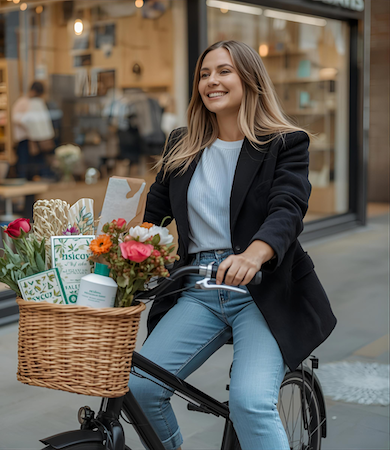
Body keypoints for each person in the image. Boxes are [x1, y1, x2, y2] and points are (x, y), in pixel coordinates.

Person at [128, 41, 337, 450]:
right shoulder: (181, 144)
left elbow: (288, 208)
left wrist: (255, 253)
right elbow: (151, 219)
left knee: (250, 402)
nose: (211, 81)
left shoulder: (284, 143)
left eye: (223, 71)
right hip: (198, 289)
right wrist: (116, 255)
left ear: (249, 78)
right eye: (204, 74)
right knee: (139, 388)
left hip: (261, 290)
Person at [12, 81, 55, 180]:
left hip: (37, 140)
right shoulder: (22, 102)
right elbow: (16, 118)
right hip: (25, 139)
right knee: (23, 164)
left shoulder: (38, 102)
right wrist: (30, 122)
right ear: (32, 91)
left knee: (39, 164)